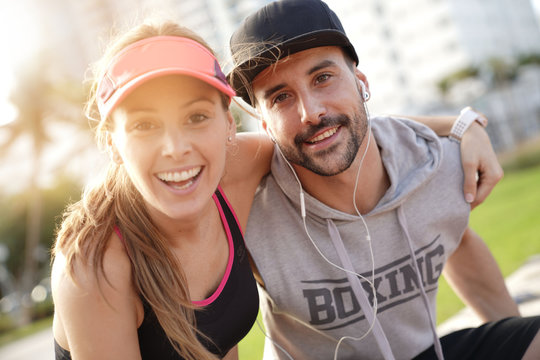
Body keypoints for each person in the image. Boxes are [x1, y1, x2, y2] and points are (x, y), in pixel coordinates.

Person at [227, 0, 540, 359]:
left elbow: (457, 238)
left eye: (323, 78)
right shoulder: (251, 207)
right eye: (281, 97)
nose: (311, 112)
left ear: (361, 83)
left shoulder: (432, 163)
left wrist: (464, 124)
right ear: (264, 124)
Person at [51, 21, 271, 360]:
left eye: (196, 117)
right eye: (144, 125)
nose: (175, 147)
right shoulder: (95, 266)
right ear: (112, 144)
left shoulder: (240, 171)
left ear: (229, 123)